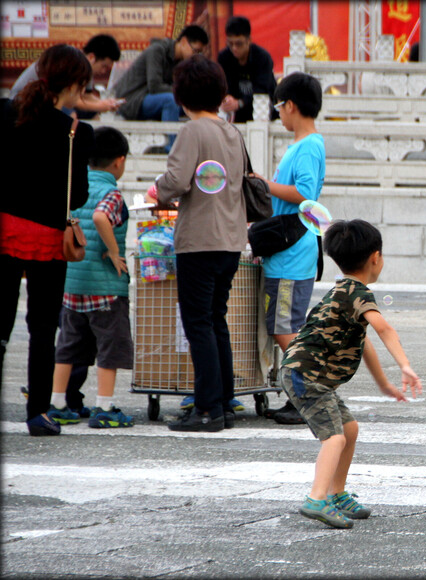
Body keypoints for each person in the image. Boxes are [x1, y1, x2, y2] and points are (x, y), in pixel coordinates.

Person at [280, 219, 422, 529]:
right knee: (334, 437)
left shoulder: (343, 290)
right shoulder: (358, 293)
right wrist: (405, 366)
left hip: (306, 373)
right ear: (376, 257)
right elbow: (383, 327)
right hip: (307, 375)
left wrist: (384, 383)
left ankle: (337, 493)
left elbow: (365, 341)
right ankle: (316, 499)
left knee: (350, 428)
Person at [145, 55, 248, 432]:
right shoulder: (232, 132)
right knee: (216, 319)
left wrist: (156, 190)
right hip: (231, 240)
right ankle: (223, 402)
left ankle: (206, 409)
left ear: (181, 96)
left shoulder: (192, 132)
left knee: (198, 323)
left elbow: (173, 182)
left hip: (199, 240)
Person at [0, 45, 95, 436]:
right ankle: (38, 411)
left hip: (4, 230)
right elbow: (78, 197)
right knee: (42, 328)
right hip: (46, 239)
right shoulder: (76, 132)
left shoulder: (6, 113)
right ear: (73, 84)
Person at [48, 127, 135, 429]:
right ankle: (105, 407)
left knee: (68, 346)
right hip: (105, 291)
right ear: (119, 162)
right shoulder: (111, 193)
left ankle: (57, 402)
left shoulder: (74, 188)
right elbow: (101, 217)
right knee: (109, 348)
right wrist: (113, 252)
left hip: (72, 284)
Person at [254, 72, 325, 425]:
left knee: (284, 327)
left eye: (279, 106)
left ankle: (306, 394)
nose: (278, 113)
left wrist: (267, 185)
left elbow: (305, 194)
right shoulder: (303, 145)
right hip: (288, 252)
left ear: (291, 106)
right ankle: (298, 392)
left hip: (292, 254)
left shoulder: (309, 145)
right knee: (284, 324)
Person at [9, 35, 123, 119]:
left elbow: (86, 97)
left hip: (54, 99)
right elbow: (69, 97)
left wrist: (106, 103)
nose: (103, 71)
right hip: (27, 100)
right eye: (103, 66)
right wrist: (99, 106)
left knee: (92, 115)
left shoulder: (84, 68)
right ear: (92, 57)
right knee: (69, 116)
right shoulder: (73, 64)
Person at [112, 25, 208, 123]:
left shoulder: (180, 60)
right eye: (195, 51)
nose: (196, 56)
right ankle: (172, 138)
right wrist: (184, 93)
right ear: (183, 41)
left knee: (194, 106)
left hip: (150, 98)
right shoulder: (157, 51)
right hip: (132, 100)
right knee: (171, 101)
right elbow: (155, 86)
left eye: (200, 53)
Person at [218, 16, 278, 123]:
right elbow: (223, 85)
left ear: (249, 40)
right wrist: (227, 98)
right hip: (235, 114)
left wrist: (240, 102)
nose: (234, 48)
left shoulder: (262, 58)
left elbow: (262, 90)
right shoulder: (224, 57)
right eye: (230, 44)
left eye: (239, 44)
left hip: (263, 112)